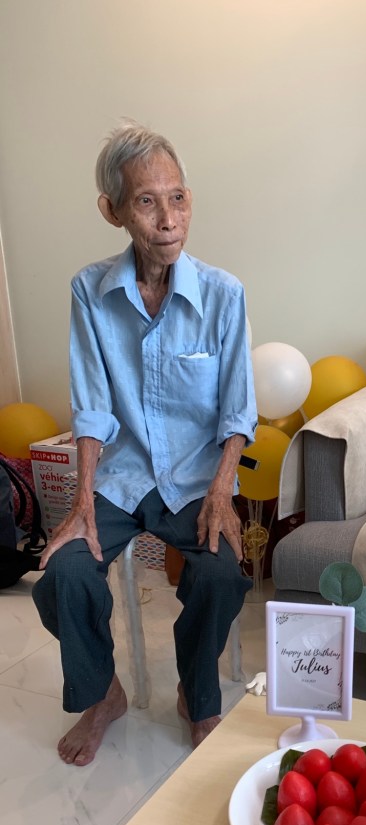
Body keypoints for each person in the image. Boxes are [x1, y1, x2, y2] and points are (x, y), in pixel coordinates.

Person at [33, 120, 256, 766]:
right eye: (147, 201)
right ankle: (103, 694)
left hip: (195, 479)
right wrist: (80, 504)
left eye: (178, 198)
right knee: (62, 574)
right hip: (122, 477)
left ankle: (198, 691)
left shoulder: (224, 294)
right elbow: (92, 408)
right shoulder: (89, 292)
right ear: (113, 211)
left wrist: (222, 491)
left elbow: (238, 409)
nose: (168, 219)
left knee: (220, 573)